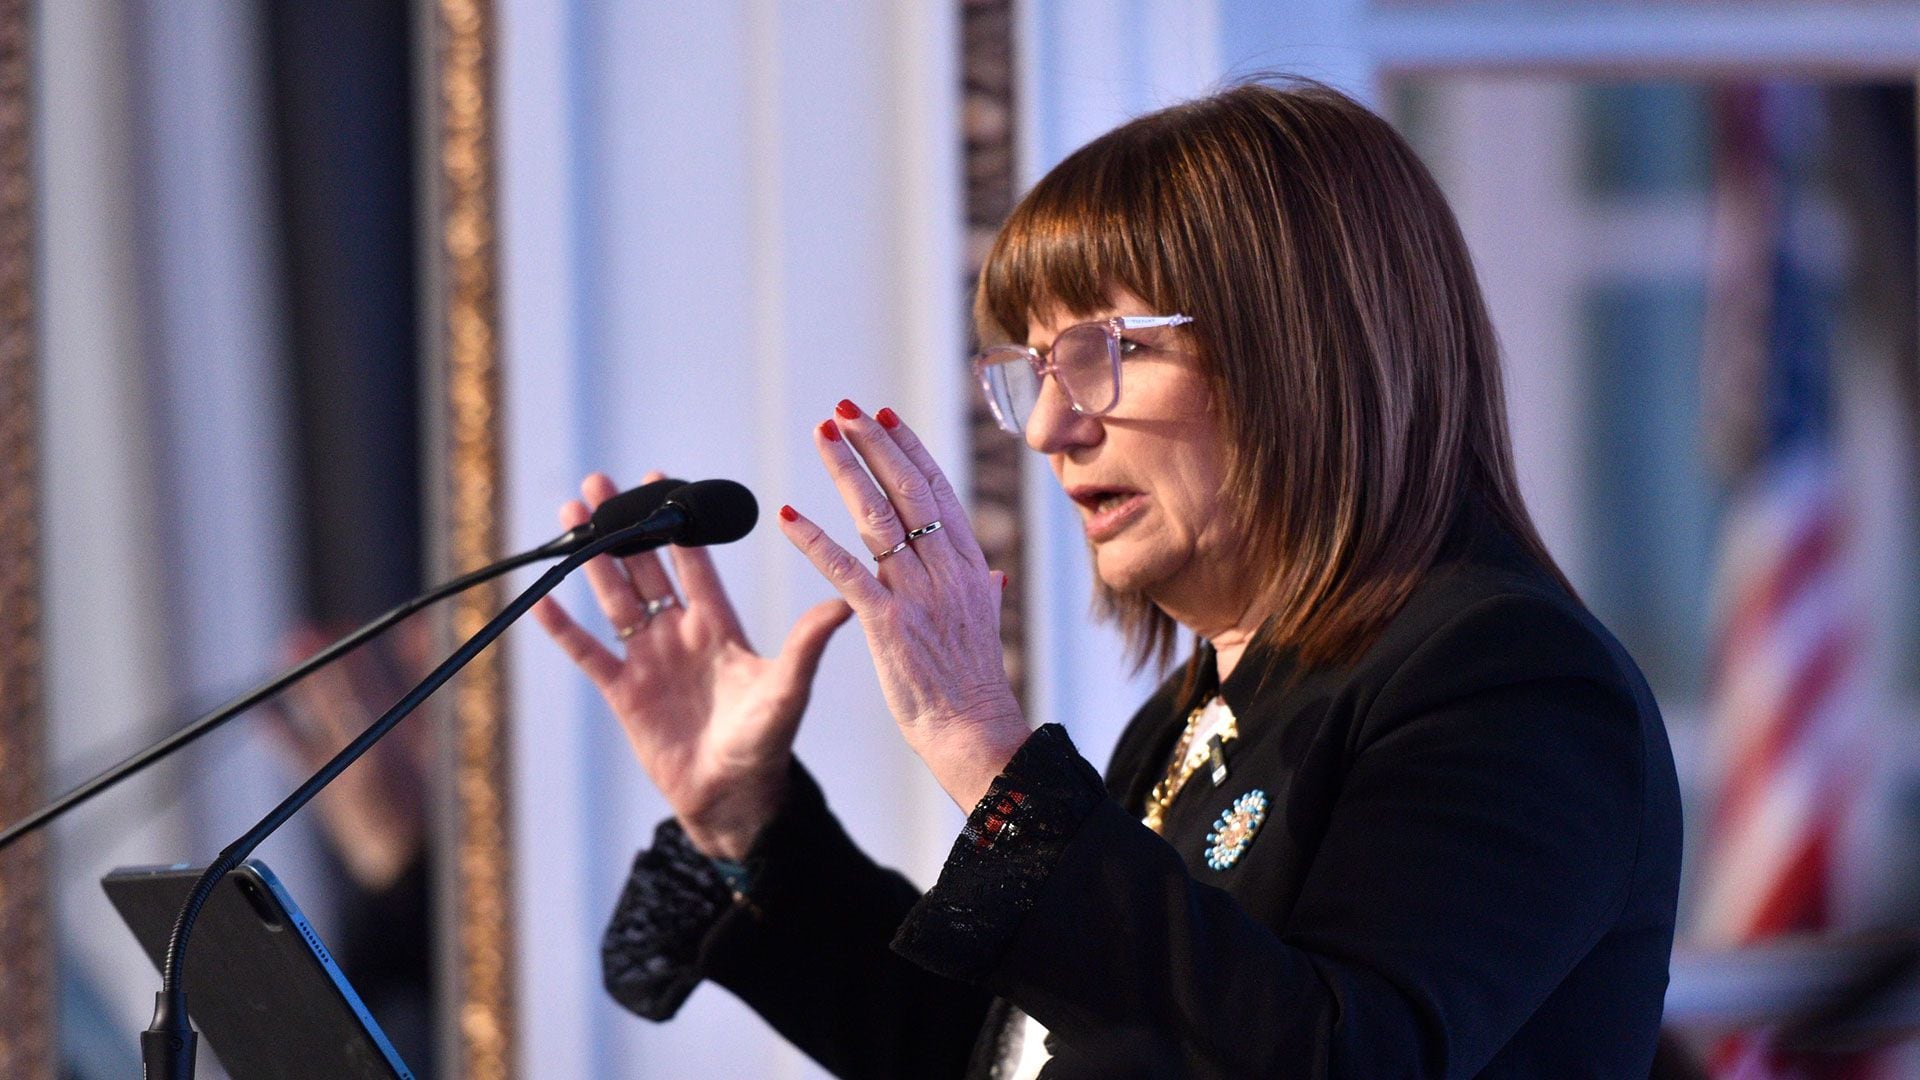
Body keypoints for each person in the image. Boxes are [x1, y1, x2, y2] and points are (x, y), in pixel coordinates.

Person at [532, 77, 1682, 1079]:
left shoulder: (1505, 682)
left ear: (1299, 348)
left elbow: (1337, 1056)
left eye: (1099, 353)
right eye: (1030, 368)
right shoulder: (1189, 716)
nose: (1046, 427)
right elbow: (1008, 1056)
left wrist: (981, 744)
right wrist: (752, 817)